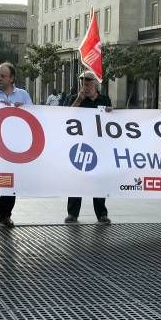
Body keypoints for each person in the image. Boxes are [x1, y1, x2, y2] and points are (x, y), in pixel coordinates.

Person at [0, 62, 33, 226]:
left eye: (3, 76)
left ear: (12, 78)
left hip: (15, 147)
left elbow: (33, 116)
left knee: (10, 181)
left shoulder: (23, 95)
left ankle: (5, 216)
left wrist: (23, 109)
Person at [65, 71, 111, 224]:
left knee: (99, 181)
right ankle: (72, 213)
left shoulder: (104, 99)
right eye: (83, 82)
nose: (85, 85)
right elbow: (65, 117)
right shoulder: (74, 98)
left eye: (89, 82)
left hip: (99, 146)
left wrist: (111, 112)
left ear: (96, 84)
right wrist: (79, 100)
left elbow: (111, 121)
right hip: (79, 145)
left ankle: (102, 214)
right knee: (76, 180)